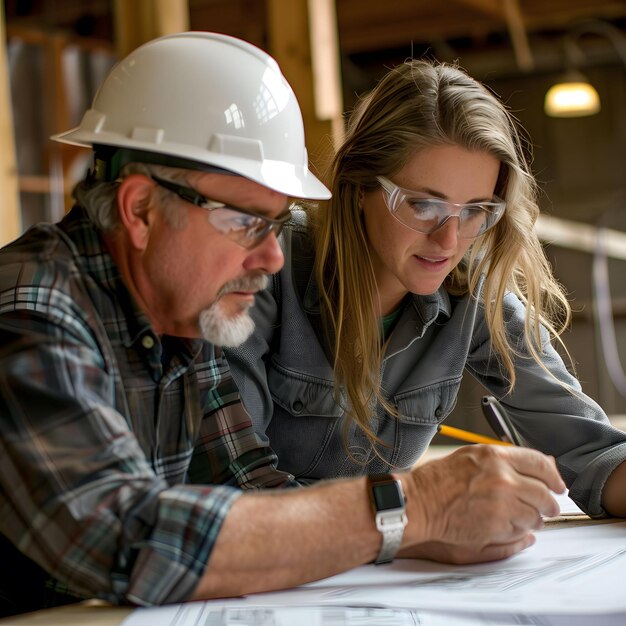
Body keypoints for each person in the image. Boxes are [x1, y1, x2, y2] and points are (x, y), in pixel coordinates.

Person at [0, 33, 567, 617]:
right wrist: (413, 507)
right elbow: (128, 537)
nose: (273, 259)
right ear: (141, 210)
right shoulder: (30, 310)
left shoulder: (180, 315)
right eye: (247, 222)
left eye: (276, 225)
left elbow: (250, 482)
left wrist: (414, 533)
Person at [225, 59, 626, 509]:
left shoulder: (472, 296)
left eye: (475, 210)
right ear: (359, 187)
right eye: (422, 205)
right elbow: (233, 484)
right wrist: (416, 509)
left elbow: (595, 452)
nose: (449, 241)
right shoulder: (264, 267)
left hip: (381, 570)